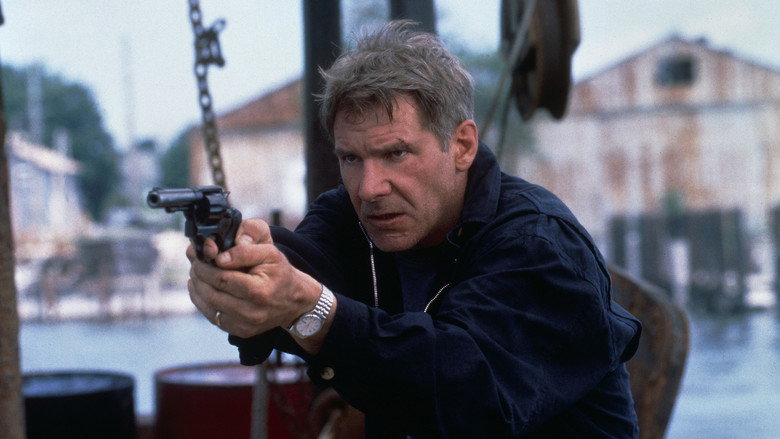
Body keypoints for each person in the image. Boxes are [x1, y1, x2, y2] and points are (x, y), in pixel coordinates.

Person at [187, 20, 642, 438]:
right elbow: (303, 264)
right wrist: (241, 268)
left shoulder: (538, 246)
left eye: (396, 154)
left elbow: (469, 393)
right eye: (351, 158)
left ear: (461, 146)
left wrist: (312, 309)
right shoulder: (353, 214)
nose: (369, 188)